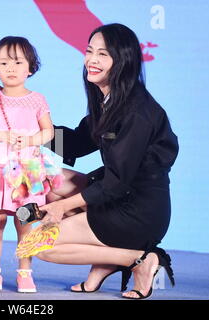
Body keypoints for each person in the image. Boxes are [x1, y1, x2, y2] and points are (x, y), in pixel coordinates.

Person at [35, 23, 179, 299]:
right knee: (48, 177)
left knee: (40, 246)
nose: (92, 60)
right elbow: (77, 142)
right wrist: (35, 129)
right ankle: (103, 264)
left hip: (137, 213)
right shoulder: (111, 100)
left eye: (103, 54)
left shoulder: (137, 111)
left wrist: (62, 207)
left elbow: (116, 183)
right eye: (89, 51)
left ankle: (136, 258)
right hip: (119, 196)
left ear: (122, 61)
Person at [0, 36, 54, 293]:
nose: (11, 68)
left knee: (25, 222)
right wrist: (3, 136)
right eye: (3, 62)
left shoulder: (37, 99)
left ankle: (24, 273)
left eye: (18, 62)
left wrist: (29, 139)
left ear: (30, 67)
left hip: (26, 169)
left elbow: (49, 132)